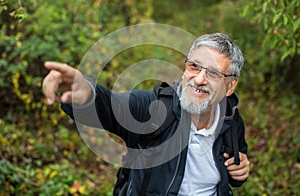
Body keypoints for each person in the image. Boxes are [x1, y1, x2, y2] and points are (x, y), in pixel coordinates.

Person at [43, 33, 250, 196]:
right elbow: (113, 106)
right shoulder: (155, 108)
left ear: (230, 86)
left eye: (213, 73)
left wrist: (239, 174)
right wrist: (87, 93)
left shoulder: (230, 120)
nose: (199, 79)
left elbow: (232, 170)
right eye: (194, 66)